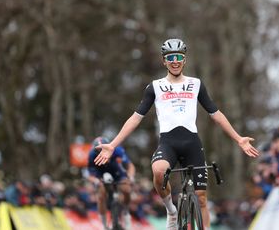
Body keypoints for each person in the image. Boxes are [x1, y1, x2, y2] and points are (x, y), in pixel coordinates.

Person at [94, 38, 259, 230]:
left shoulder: (196, 84)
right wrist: (113, 144)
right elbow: (135, 118)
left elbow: (216, 114)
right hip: (168, 143)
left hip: (192, 143)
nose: (175, 61)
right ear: (164, 61)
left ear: (184, 60)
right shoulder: (155, 86)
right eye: (170, 57)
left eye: (178, 57)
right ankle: (171, 211)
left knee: (202, 198)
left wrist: (239, 139)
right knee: (158, 171)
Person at [87, 136, 135, 229]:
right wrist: (96, 181)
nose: (102, 154)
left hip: (116, 171)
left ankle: (125, 212)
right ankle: (104, 224)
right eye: (98, 152)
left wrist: (131, 177)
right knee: (101, 195)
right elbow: (89, 175)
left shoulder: (118, 150)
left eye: (104, 151)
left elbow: (130, 166)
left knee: (126, 189)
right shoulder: (91, 155)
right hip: (100, 173)